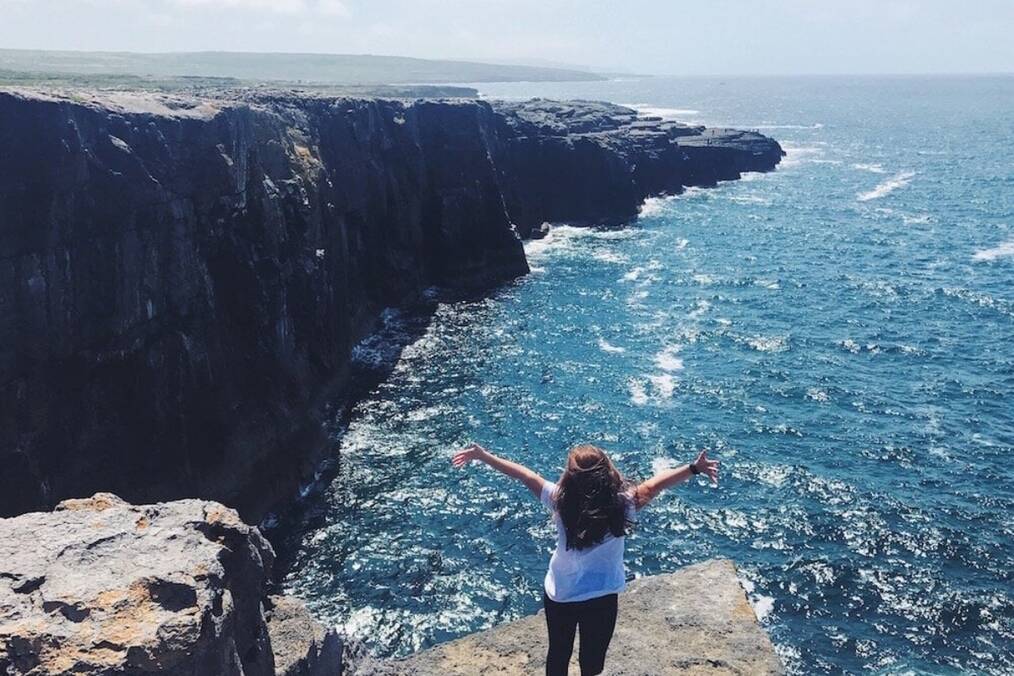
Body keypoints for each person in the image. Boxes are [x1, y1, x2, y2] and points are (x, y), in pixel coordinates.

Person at [452, 442, 719, 676]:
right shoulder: (624, 504)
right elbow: (656, 483)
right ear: (607, 473)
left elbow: (525, 475)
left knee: (558, 653)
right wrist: (693, 468)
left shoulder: (559, 500)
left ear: (570, 476)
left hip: (561, 594)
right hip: (602, 596)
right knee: (592, 661)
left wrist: (484, 456)